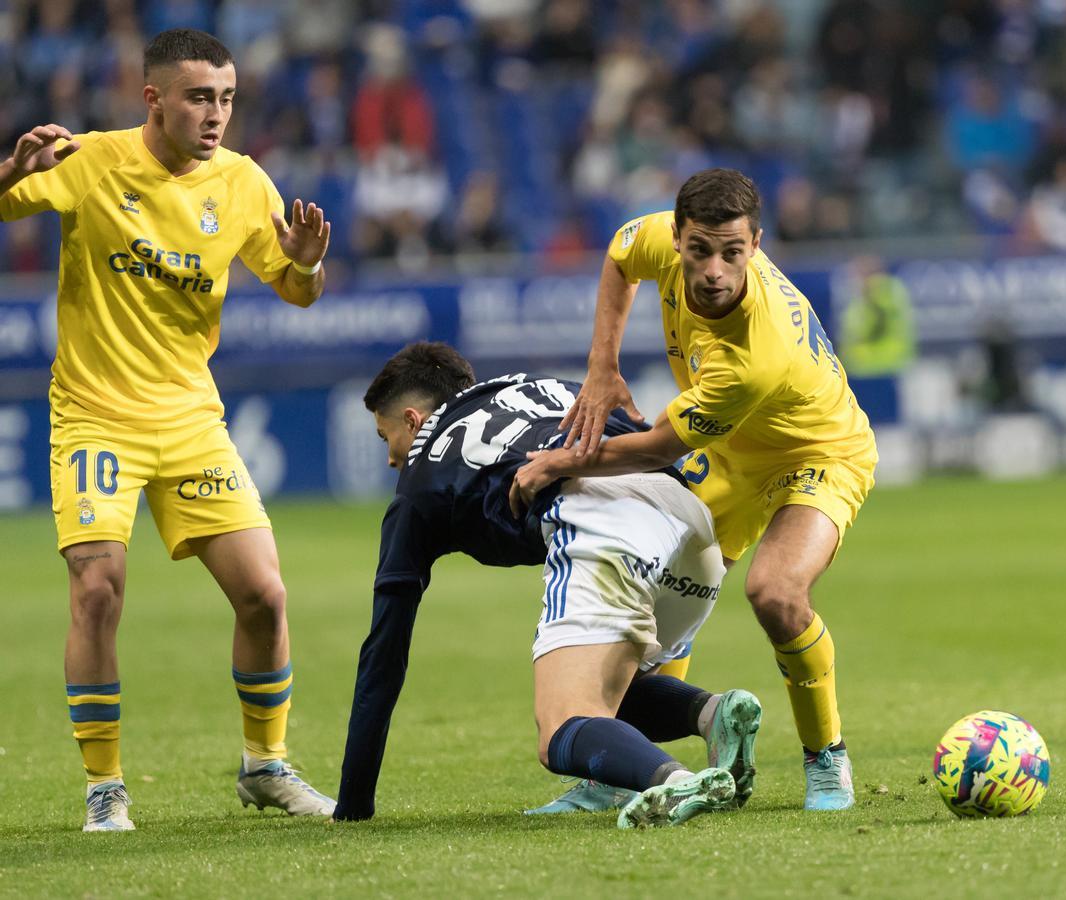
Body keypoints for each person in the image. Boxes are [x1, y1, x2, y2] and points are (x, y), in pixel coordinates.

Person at [0, 29, 335, 831]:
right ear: (153, 98)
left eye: (226, 98)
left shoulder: (243, 181)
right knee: (97, 590)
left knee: (264, 595)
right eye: (199, 98)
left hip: (190, 419)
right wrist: (11, 172)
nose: (216, 114)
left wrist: (307, 263)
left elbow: (297, 291)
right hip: (95, 415)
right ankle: (105, 787)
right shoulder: (88, 160)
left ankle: (266, 765)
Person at [511, 168, 877, 811]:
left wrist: (558, 463)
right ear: (677, 237)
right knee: (649, 584)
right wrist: (602, 366)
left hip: (819, 452)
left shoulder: (755, 354)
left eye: (732, 253)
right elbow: (619, 259)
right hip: (732, 453)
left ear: (755, 245)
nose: (713, 270)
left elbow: (657, 449)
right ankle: (618, 771)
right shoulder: (657, 238)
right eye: (700, 250)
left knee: (775, 592)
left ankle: (827, 757)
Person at [332, 342, 763, 829]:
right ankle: (713, 714)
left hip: (605, 523)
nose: (392, 459)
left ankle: (675, 781)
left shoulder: (420, 479)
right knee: (608, 690)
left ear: (413, 421)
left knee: (561, 728)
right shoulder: (541, 386)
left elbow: (383, 656)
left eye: (385, 437)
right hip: (691, 522)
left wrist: (353, 805)